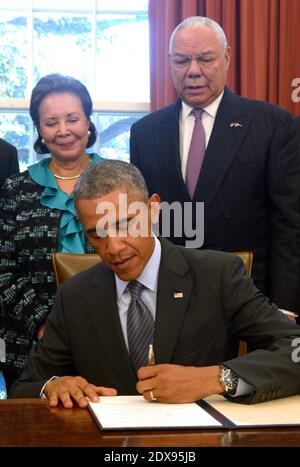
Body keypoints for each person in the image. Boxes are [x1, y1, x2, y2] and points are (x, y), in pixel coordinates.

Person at [9, 160, 300, 408]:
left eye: (125, 224)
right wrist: (53, 385)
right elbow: (26, 387)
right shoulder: (74, 296)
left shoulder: (217, 275)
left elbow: (294, 348)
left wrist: (216, 378)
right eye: (96, 234)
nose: (113, 247)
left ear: (153, 210)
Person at [130, 16, 300, 321]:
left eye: (205, 59)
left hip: (250, 298)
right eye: (182, 60)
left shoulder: (271, 124)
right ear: (169, 63)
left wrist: (286, 307)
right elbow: (143, 225)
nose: (193, 71)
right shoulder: (145, 132)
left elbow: (290, 224)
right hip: (168, 299)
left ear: (227, 57)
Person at [0, 73, 103, 392]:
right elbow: (2, 272)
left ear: (88, 122)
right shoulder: (15, 190)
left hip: (109, 340)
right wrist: (45, 322)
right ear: (39, 132)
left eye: (72, 119)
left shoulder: (122, 183)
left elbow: (141, 260)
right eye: (51, 122)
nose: (63, 131)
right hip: (32, 348)